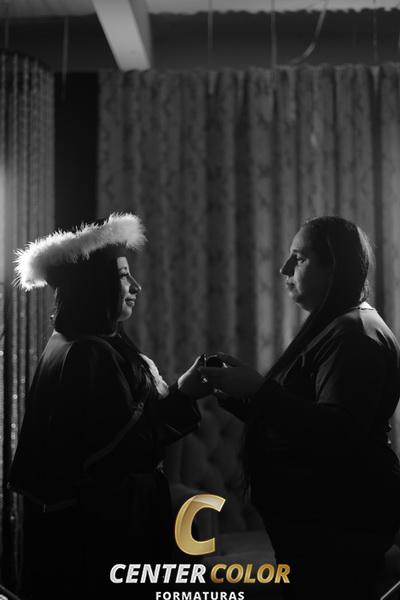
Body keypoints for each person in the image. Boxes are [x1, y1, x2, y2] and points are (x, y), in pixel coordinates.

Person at [9, 213, 209, 600]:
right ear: (95, 284)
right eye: (123, 276)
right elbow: (122, 452)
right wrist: (184, 395)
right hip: (103, 543)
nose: (136, 286)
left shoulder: (68, 342)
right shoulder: (89, 354)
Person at [199, 216, 400, 600]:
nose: (284, 269)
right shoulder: (339, 327)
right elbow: (302, 418)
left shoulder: (354, 335)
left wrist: (259, 390)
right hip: (321, 524)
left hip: (338, 524)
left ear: (333, 267)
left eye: (299, 258)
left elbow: (337, 433)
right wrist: (238, 394)